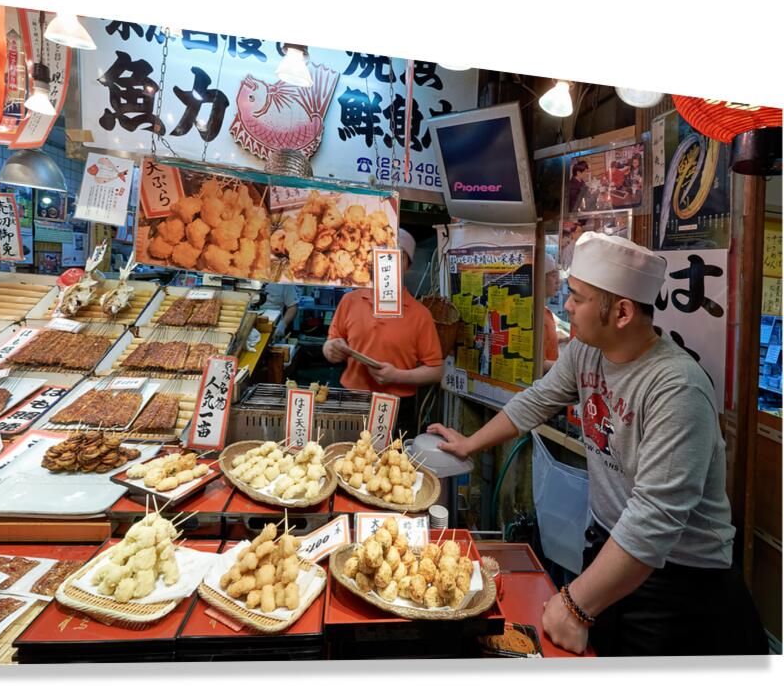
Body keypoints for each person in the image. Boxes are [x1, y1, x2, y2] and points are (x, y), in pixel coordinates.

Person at [428, 232, 767, 656]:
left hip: (678, 580)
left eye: (578, 297)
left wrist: (574, 604)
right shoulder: (586, 353)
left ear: (622, 312)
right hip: (611, 548)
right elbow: (537, 400)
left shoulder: (675, 389)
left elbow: (653, 521)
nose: (566, 306)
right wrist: (469, 444)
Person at [323, 229, 444, 435]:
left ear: (408, 266)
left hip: (397, 405)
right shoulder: (350, 301)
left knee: (391, 464)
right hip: (351, 398)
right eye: (383, 254)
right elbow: (332, 343)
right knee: (344, 460)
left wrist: (398, 376)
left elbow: (435, 371)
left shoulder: (420, 314)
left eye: (397, 255)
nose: (388, 262)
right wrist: (331, 349)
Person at [542, 253, 567, 372]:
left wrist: (562, 339)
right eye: (553, 275)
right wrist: (571, 369)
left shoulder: (545, 311)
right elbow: (539, 364)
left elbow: (544, 342)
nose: (558, 281)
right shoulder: (533, 316)